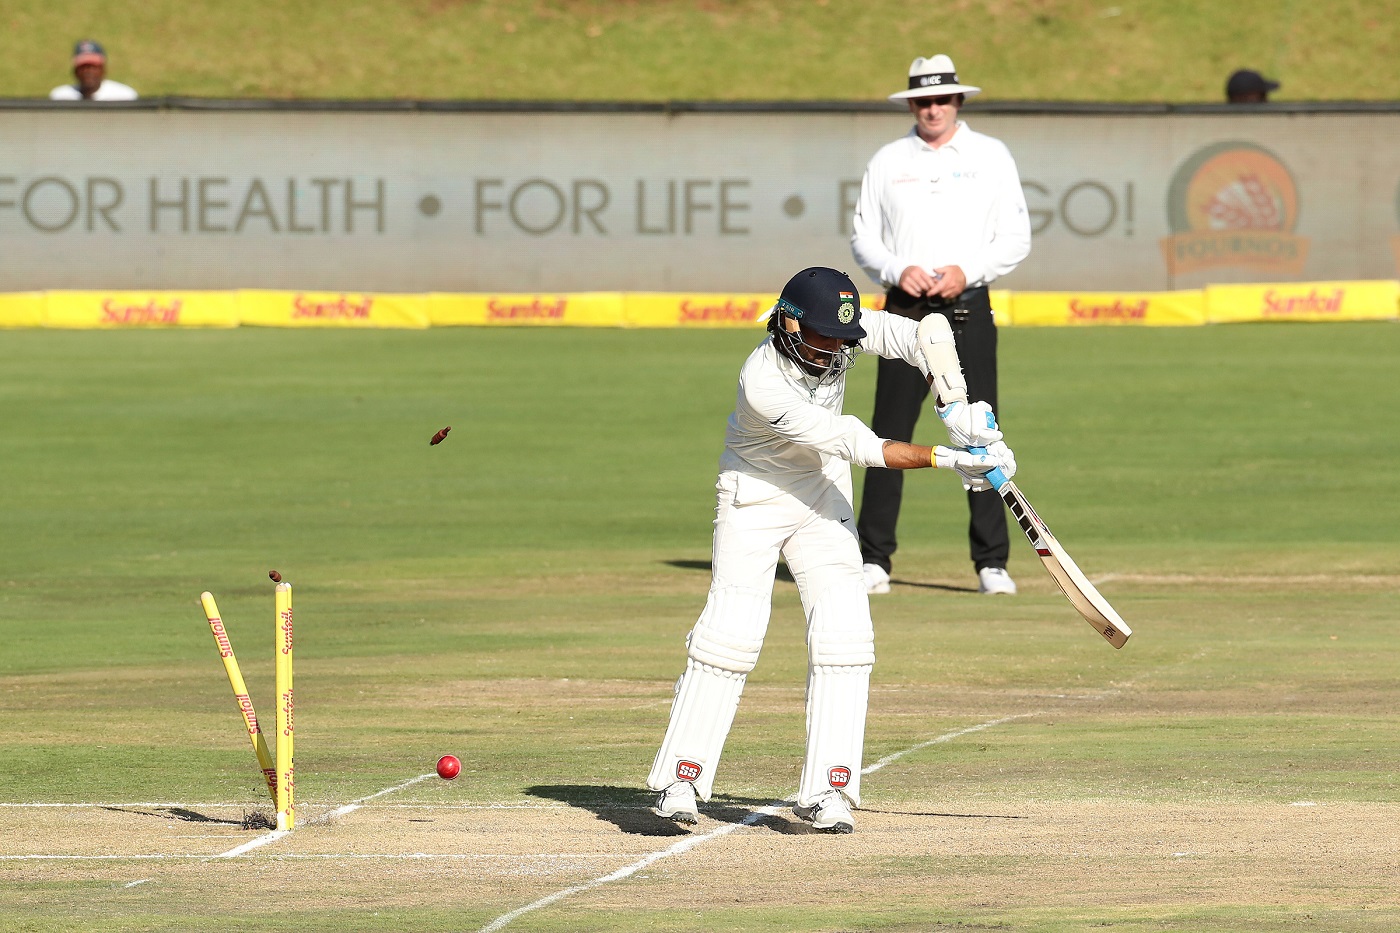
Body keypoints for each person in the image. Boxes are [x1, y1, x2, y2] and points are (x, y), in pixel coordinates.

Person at [646, 266, 1014, 834]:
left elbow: (928, 334)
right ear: (789, 324)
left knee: (846, 638)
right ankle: (681, 779)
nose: (835, 351)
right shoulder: (760, 381)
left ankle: (830, 789)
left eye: (843, 339)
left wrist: (959, 410)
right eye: (822, 338)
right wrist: (950, 458)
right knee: (731, 634)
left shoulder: (839, 332)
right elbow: (855, 442)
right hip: (756, 495)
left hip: (822, 493)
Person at [850, 54, 1031, 598]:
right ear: (911, 103)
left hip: (968, 305)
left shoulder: (990, 156)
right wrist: (894, 268)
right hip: (904, 307)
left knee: (979, 429)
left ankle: (991, 560)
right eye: (923, 100)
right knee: (890, 428)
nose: (932, 109)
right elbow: (863, 235)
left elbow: (1015, 237)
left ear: (958, 101)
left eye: (942, 99)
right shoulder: (887, 160)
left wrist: (966, 271)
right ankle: (874, 557)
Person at [49, 40, 138, 102]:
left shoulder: (124, 96)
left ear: (103, 70)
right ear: (75, 71)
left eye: (93, 67)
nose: (88, 72)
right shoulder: (61, 97)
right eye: (83, 67)